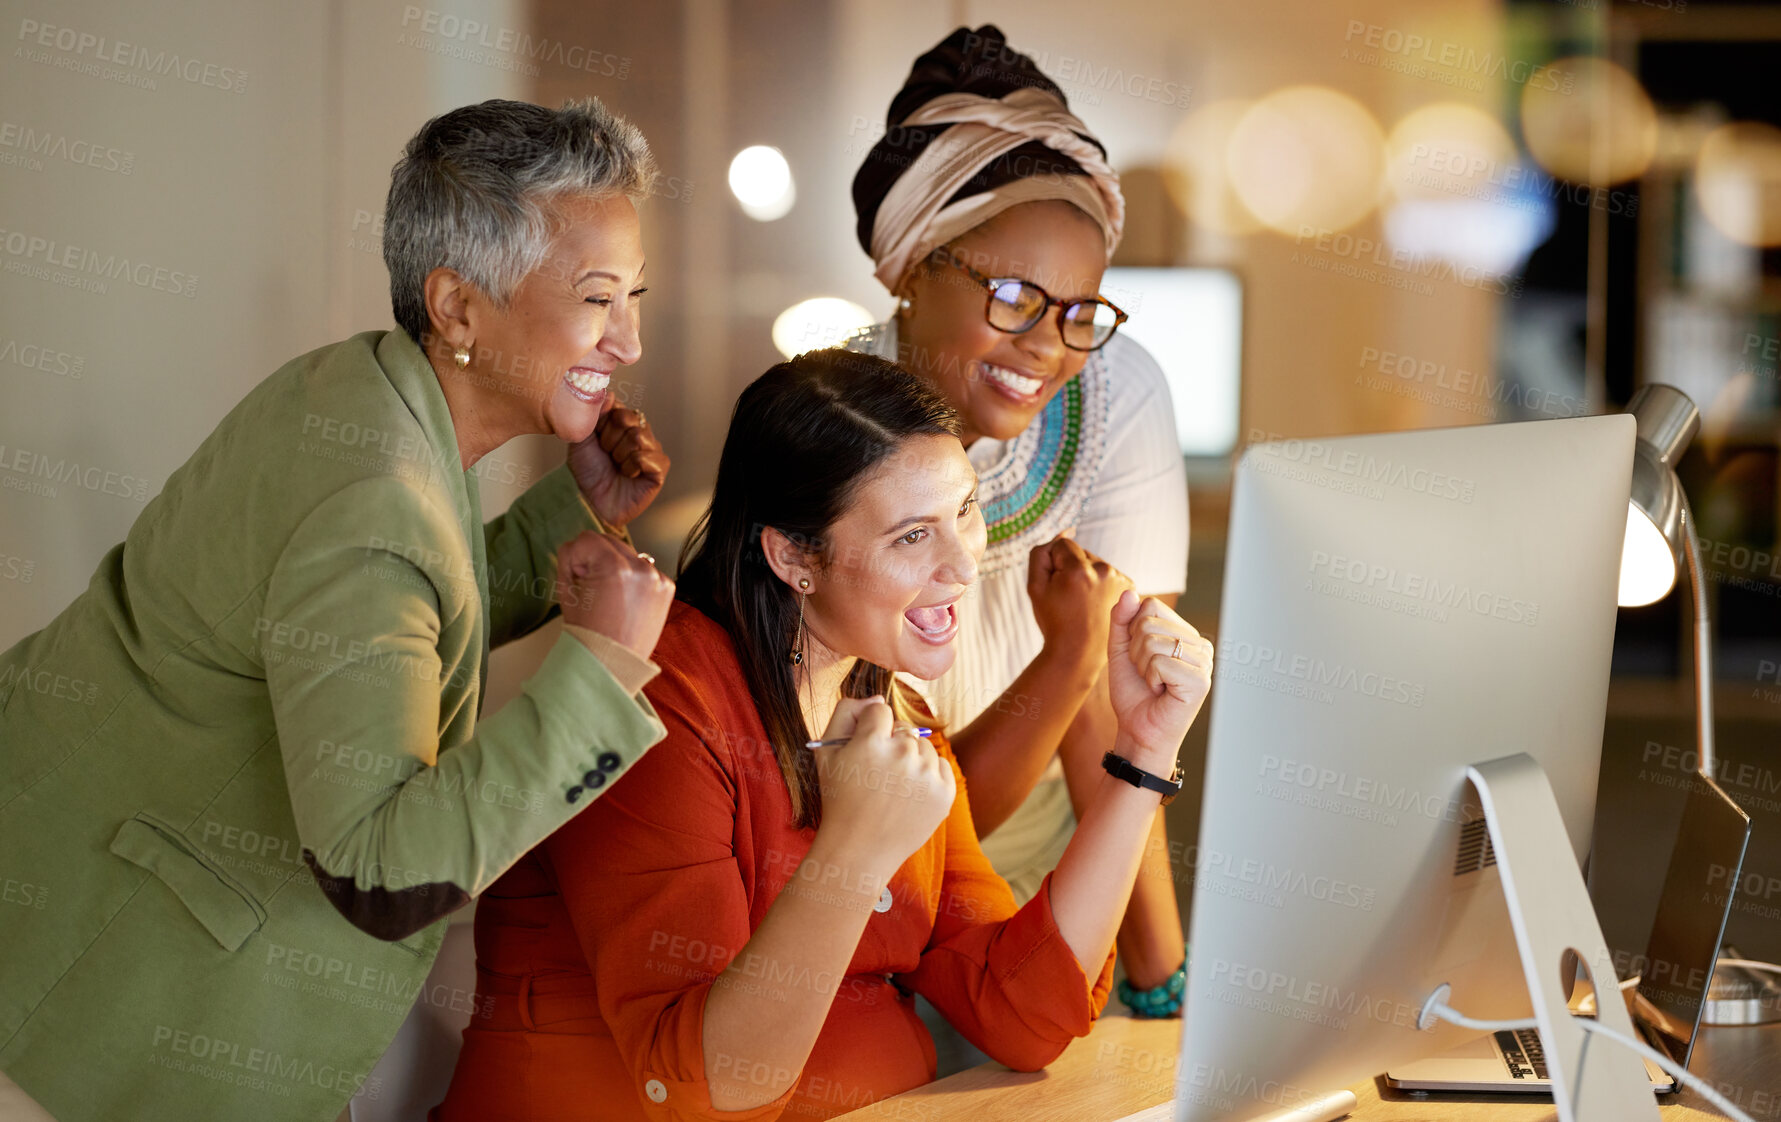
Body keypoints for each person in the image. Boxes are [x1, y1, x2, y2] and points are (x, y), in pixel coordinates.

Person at [0, 97, 675, 1122]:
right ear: (456, 308)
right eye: (596, 299)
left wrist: (561, 525)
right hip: (93, 1000)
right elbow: (380, 869)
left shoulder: (358, 390)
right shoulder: (374, 498)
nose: (627, 341)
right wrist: (600, 672)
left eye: (632, 297)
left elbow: (364, 634)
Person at [431, 349, 1213, 1121]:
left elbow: (1022, 1015)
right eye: (911, 536)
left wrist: (1142, 755)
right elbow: (708, 1088)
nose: (961, 567)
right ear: (793, 555)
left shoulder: (892, 713)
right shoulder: (662, 709)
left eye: (963, 513)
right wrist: (856, 852)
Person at [846, 25, 1192, 1028]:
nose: (1049, 347)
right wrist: (1067, 655)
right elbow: (925, 825)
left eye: (1081, 310)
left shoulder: (1116, 392)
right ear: (909, 268)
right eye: (1011, 298)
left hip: (1051, 868)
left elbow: (1122, 717)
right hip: (871, 876)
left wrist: (1157, 981)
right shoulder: (834, 435)